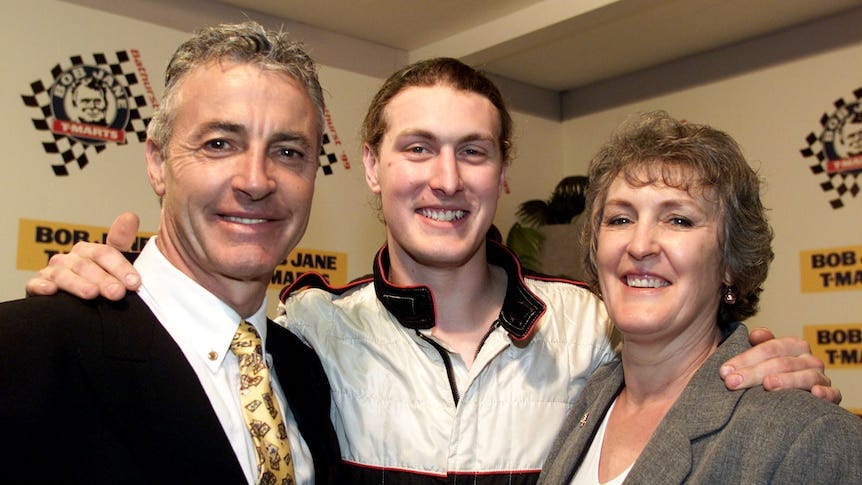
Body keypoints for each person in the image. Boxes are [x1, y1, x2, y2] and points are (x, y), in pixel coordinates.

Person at [27, 59, 839, 484]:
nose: (445, 180)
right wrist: (112, 278)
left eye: (472, 151)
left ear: (503, 173)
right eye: (417, 148)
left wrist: (766, 357)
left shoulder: (594, 329)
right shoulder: (308, 335)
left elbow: (691, 361)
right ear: (373, 168)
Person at [1, 22, 340, 484]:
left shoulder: (306, 372)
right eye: (220, 144)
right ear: (158, 164)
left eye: (287, 151)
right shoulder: (27, 351)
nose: (256, 181)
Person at [538, 111, 862, 484]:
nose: (640, 245)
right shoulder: (587, 397)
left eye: (678, 220)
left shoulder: (805, 435)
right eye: (620, 219)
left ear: (729, 262)